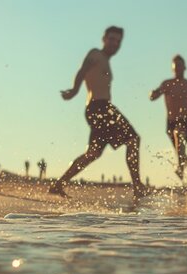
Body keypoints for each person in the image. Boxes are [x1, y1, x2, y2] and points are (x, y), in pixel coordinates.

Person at [50, 26, 147, 199]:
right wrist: (74, 90)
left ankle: (59, 184)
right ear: (104, 39)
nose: (114, 44)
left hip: (99, 108)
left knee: (93, 153)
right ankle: (138, 187)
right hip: (99, 107)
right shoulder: (96, 54)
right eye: (111, 39)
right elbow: (82, 70)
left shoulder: (106, 61)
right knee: (133, 139)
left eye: (118, 41)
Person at [149, 55, 187, 180]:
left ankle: (181, 170)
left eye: (180, 66)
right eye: (176, 66)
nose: (178, 69)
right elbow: (154, 96)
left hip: (186, 120)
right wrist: (152, 93)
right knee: (179, 148)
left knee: (179, 136)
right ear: (172, 68)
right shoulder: (167, 84)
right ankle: (184, 161)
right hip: (171, 121)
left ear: (185, 67)